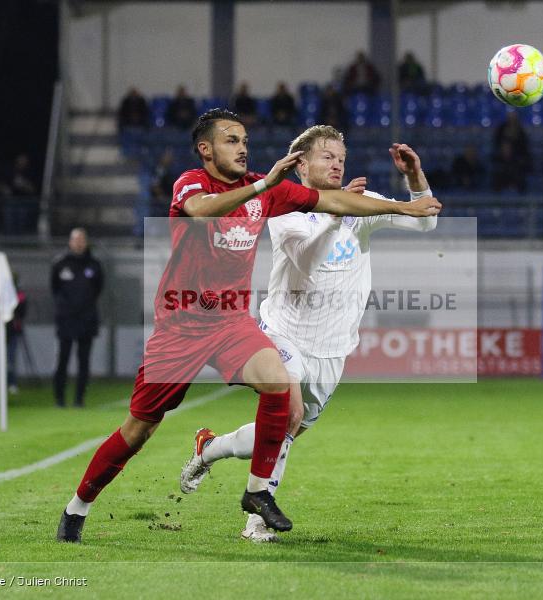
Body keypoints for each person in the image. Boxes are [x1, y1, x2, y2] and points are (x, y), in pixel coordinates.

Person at [55, 108, 441, 543]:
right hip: (185, 326)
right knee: (140, 427)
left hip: (234, 324)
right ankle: (77, 507)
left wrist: (408, 199)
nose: (242, 148)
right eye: (231, 140)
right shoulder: (197, 184)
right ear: (206, 149)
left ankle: (254, 492)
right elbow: (202, 212)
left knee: (281, 396)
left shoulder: (272, 191)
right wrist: (263, 185)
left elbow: (339, 202)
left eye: (244, 141)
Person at [179, 125, 436, 542]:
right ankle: (257, 519)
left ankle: (209, 448)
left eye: (341, 157)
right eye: (327, 156)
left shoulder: (361, 204)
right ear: (301, 164)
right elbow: (308, 260)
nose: (337, 164)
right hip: (283, 334)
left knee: (283, 434)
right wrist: (338, 217)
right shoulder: (284, 209)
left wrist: (413, 178)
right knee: (289, 414)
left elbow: (426, 222)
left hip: (333, 348)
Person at [51, 229, 103, 408]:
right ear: (70, 242)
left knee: (84, 362)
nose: (78, 242)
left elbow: (98, 288)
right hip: (66, 319)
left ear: (86, 242)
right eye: (75, 239)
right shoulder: (60, 264)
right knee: (62, 360)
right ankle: (59, 399)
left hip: (87, 319)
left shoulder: (94, 265)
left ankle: (79, 400)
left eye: (82, 239)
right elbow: (55, 289)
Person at [0, 275, 27, 394]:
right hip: (0, 331)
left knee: (10, 360)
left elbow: (22, 312)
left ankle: (11, 383)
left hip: (13, 332)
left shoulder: (19, 296)